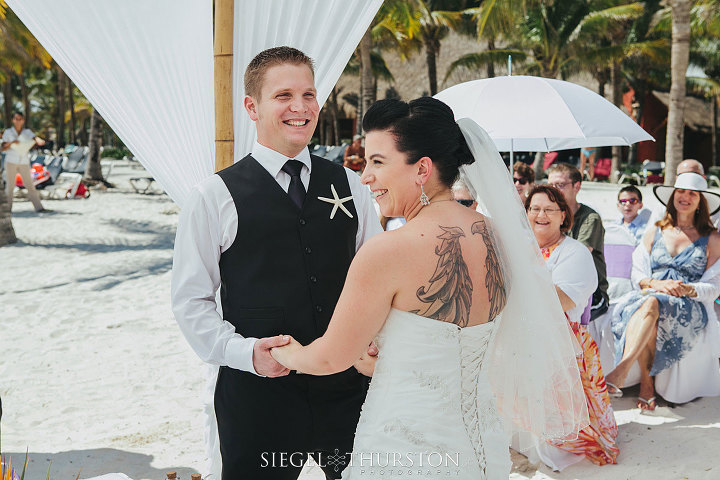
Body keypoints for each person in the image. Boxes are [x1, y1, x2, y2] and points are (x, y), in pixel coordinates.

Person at [270, 98, 588, 479]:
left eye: (377, 162)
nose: (364, 176)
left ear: (422, 168)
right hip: (483, 445)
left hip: (408, 450)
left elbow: (329, 359)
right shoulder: (501, 237)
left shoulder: (388, 250)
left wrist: (287, 353)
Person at [171, 46, 383, 479]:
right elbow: (191, 301)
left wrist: (374, 340)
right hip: (257, 397)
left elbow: (379, 275)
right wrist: (246, 353)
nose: (300, 107)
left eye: (308, 94)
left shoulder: (350, 184)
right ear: (251, 106)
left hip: (349, 390)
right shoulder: (212, 197)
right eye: (283, 95)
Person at [606, 172, 720, 410]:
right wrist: (656, 284)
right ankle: (643, 383)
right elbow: (637, 273)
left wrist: (686, 288)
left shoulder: (712, 238)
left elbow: (714, 287)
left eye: (692, 193)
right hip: (650, 294)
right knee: (650, 303)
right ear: (673, 196)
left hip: (688, 302)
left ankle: (622, 373)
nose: (685, 197)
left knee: (651, 305)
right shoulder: (656, 230)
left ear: (701, 201)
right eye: (681, 191)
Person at [524, 185, 618, 470]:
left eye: (549, 209)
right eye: (535, 208)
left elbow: (562, 300)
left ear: (563, 216)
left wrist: (522, 273)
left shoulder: (575, 253)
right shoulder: (520, 248)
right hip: (523, 335)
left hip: (564, 341)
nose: (541, 215)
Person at [547, 163, 608, 320]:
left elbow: (579, 256)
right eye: (550, 185)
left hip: (591, 293)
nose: (553, 190)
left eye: (560, 185)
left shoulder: (590, 219)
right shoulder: (545, 217)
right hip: (555, 286)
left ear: (577, 187)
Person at [1, 111, 48, 212]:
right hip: (11, 162)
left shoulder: (27, 132)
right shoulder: (8, 132)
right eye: (16, 119)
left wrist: (39, 141)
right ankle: (7, 209)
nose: (18, 121)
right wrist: (12, 143)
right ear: (13, 120)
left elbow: (35, 138)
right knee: (10, 187)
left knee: (30, 185)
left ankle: (39, 208)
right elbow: (3, 148)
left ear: (23, 120)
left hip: (24, 162)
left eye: (20, 119)